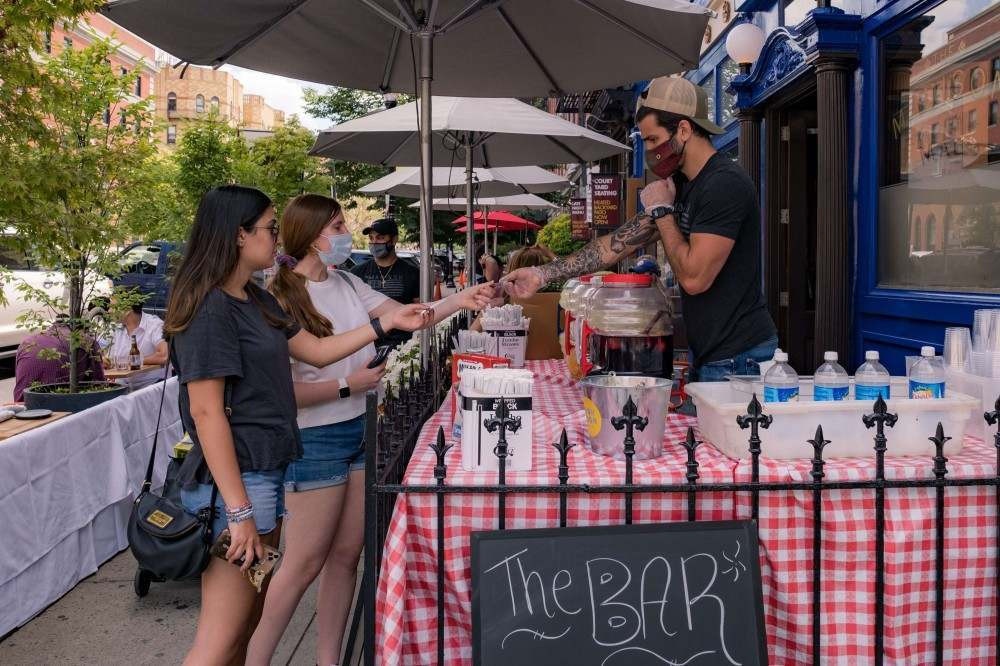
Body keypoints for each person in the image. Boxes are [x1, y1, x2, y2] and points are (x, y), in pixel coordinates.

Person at [165, 185, 433, 666]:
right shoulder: (211, 310)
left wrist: (388, 325)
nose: (276, 238)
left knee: (244, 628)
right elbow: (207, 416)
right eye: (269, 228)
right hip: (239, 484)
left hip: (265, 473)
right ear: (238, 234)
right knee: (220, 639)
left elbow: (318, 350)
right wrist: (241, 512)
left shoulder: (252, 299)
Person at [246, 194, 493, 666]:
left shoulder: (345, 281)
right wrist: (346, 386)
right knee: (301, 565)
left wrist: (464, 297)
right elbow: (282, 391)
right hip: (314, 440)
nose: (347, 234)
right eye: (338, 225)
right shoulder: (279, 296)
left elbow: (406, 316)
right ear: (312, 234)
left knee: (346, 555)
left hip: (361, 429)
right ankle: (253, 657)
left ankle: (329, 658)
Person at [504, 76, 778, 382]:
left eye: (652, 140)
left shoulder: (724, 185)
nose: (649, 152)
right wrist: (542, 274)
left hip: (739, 357)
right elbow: (614, 245)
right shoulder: (682, 185)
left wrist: (662, 211)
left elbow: (694, 278)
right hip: (711, 352)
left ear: (684, 130)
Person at [350, 218, 421, 349]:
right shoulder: (356, 272)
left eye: (380, 238)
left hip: (403, 347)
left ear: (394, 240)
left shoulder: (412, 272)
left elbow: (419, 308)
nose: (374, 242)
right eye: (371, 238)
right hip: (367, 345)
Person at [13, 320, 105, 401]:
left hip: (23, 401)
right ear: (83, 329)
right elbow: (100, 385)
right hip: (57, 401)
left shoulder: (27, 342)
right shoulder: (85, 340)